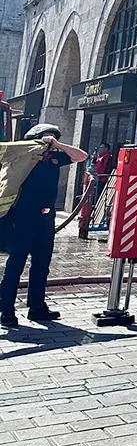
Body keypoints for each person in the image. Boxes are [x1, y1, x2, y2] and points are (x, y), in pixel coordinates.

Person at [1, 124, 88, 328]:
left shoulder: (55, 158)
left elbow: (81, 156)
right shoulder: (21, 158)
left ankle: (37, 308)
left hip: (46, 220)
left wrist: (58, 144)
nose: (48, 144)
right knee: (15, 267)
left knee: (41, 267)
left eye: (51, 139)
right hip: (21, 219)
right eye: (44, 139)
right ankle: (6, 311)